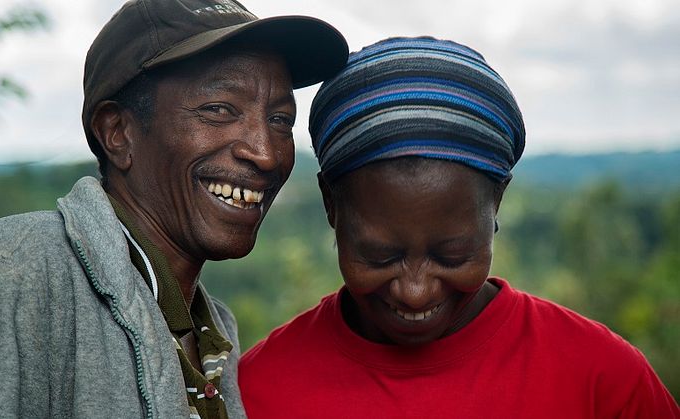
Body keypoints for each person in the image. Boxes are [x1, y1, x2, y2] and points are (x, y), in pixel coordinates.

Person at [0, 0, 347, 417]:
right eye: (219, 109)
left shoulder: (213, 332)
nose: (265, 153)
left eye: (280, 119)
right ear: (118, 133)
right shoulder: (6, 275)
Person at [238, 37, 679, 418]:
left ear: (497, 202)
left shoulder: (603, 381)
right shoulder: (256, 392)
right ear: (331, 205)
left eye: (451, 256)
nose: (415, 292)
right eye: (380, 256)